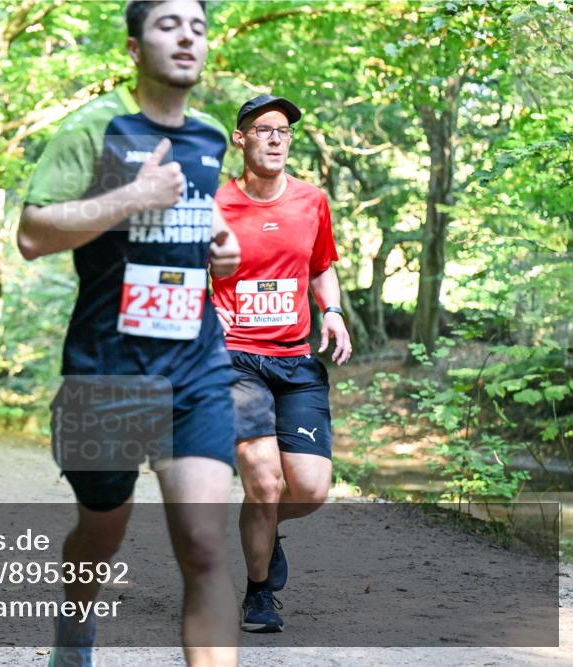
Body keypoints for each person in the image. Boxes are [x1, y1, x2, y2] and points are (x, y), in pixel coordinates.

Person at [17, 2, 241, 665]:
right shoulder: (95, 127)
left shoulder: (209, 136)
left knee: (203, 545)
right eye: (169, 25)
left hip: (195, 367)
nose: (187, 38)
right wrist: (132, 197)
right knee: (100, 530)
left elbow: (197, 226)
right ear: (134, 48)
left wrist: (219, 245)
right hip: (105, 368)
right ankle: (76, 622)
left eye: (197, 28)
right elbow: (33, 233)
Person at [210, 94, 353, 633]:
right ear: (240, 139)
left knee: (311, 490)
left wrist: (332, 312)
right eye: (263, 129)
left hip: (295, 359)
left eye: (285, 130)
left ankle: (261, 528)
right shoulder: (214, 204)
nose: (276, 137)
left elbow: (321, 266)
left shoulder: (311, 201)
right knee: (265, 484)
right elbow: (174, 271)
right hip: (237, 360)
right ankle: (259, 593)